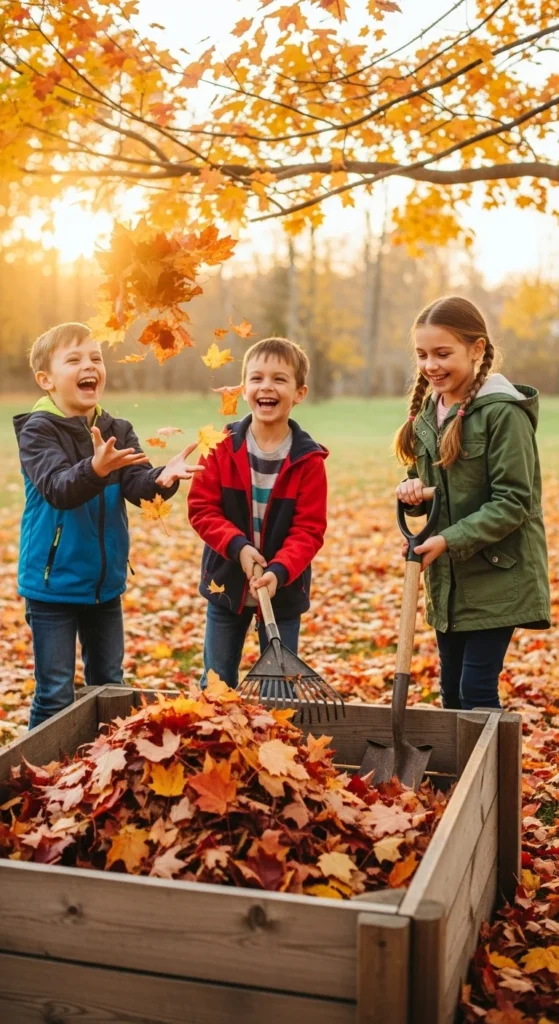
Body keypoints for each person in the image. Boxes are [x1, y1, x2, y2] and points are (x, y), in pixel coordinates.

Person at [15, 321, 202, 728]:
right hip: (53, 586)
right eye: (75, 359)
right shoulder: (38, 430)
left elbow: (137, 486)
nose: (90, 365)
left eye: (96, 358)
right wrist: (96, 468)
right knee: (55, 693)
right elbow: (58, 488)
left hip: (104, 585)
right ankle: (39, 780)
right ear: (46, 379)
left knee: (109, 688)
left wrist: (161, 479)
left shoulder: (117, 429)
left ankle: (102, 772)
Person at [395, 295, 550, 711]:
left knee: (475, 692)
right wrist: (412, 495)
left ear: (477, 349)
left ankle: (492, 778)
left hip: (497, 574)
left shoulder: (503, 414)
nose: (431, 365)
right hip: (450, 581)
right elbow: (431, 486)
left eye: (443, 353)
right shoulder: (432, 412)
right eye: (423, 355)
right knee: (450, 691)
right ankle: (460, 778)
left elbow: (514, 501)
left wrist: (446, 539)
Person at [188, 336, 328, 689]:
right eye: (257, 378)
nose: (267, 386)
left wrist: (279, 571)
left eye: (280, 379)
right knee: (217, 681)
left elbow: (309, 530)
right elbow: (202, 509)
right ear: (244, 387)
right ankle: (217, 739)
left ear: (300, 392)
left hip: (283, 588)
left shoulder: (308, 462)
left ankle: (273, 740)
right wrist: (239, 547)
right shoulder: (220, 447)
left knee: (278, 686)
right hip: (226, 583)